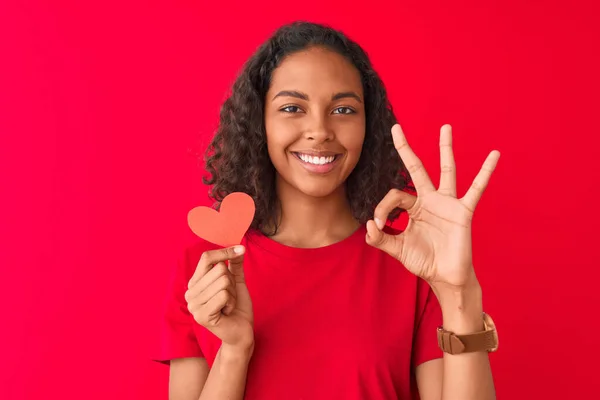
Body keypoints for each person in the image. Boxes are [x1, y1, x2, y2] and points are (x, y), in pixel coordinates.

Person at [155, 21, 500, 400]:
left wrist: (459, 292)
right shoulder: (204, 269)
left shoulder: (414, 265)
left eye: (343, 109)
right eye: (292, 107)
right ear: (260, 124)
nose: (319, 130)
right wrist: (234, 352)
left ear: (368, 125)